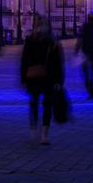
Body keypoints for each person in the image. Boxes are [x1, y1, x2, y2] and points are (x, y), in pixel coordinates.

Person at [20, 15, 64, 145]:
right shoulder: (31, 40)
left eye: (41, 24)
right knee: (34, 103)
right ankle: (34, 129)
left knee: (46, 105)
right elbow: (24, 61)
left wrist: (59, 81)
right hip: (34, 77)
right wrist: (23, 78)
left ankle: (44, 133)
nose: (40, 27)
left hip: (48, 78)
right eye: (38, 24)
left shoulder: (53, 42)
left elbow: (58, 62)